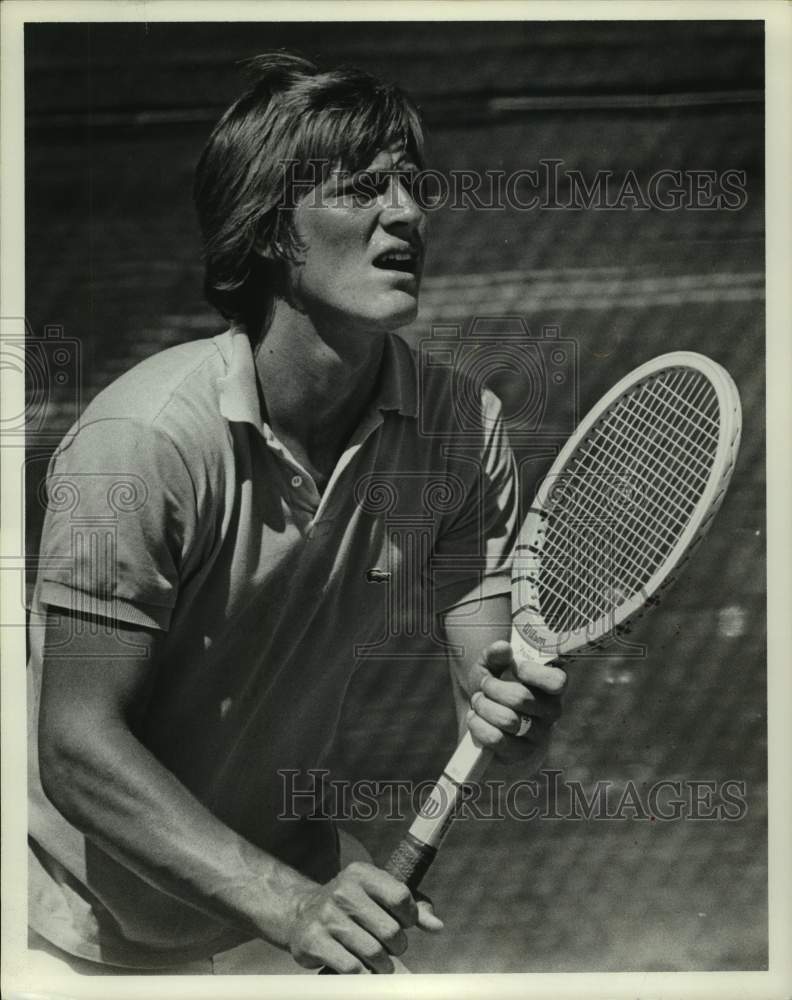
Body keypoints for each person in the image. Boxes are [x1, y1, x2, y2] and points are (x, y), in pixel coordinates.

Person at [27, 52, 566, 976]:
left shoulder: (458, 430)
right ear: (270, 232)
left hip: (261, 898)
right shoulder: (142, 439)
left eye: (412, 184)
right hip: (60, 927)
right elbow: (76, 748)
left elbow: (492, 697)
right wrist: (292, 904)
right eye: (362, 188)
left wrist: (516, 711)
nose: (406, 213)